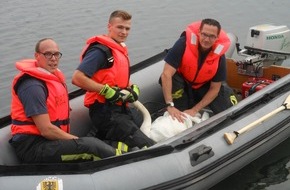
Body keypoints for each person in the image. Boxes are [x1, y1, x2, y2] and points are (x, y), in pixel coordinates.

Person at [9, 38, 121, 164]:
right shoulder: (32, 87)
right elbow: (46, 130)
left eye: (56, 54)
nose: (53, 58)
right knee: (91, 146)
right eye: (48, 54)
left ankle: (125, 155)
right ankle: (125, 164)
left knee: (99, 140)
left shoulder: (50, 77)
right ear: (37, 56)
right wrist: (77, 141)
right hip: (34, 148)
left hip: (48, 142)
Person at [72, 10, 155, 150]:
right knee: (147, 144)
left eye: (127, 28)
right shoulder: (99, 52)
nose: (124, 32)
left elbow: (115, 77)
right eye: (120, 27)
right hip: (105, 111)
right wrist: (105, 90)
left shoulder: (119, 49)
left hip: (120, 107)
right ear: (109, 26)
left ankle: (106, 140)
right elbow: (77, 78)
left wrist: (132, 88)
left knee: (144, 125)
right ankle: (103, 145)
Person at [160, 18, 238, 123]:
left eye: (211, 36)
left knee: (226, 112)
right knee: (180, 114)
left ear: (217, 38)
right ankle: (180, 106)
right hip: (183, 85)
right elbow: (166, 74)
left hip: (203, 86)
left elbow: (215, 89)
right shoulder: (183, 44)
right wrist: (169, 105)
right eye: (204, 34)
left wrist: (195, 110)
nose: (206, 39)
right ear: (199, 33)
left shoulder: (219, 56)